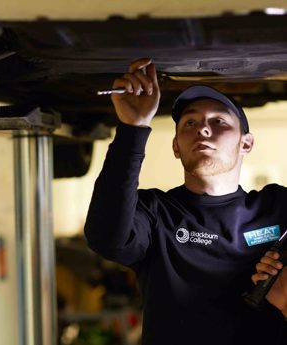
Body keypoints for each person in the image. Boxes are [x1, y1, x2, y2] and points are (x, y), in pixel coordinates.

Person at [84, 57, 287, 345]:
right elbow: (106, 238)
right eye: (190, 122)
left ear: (246, 143)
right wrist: (133, 128)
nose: (203, 129)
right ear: (176, 147)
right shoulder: (156, 213)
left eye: (218, 121)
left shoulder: (277, 206)